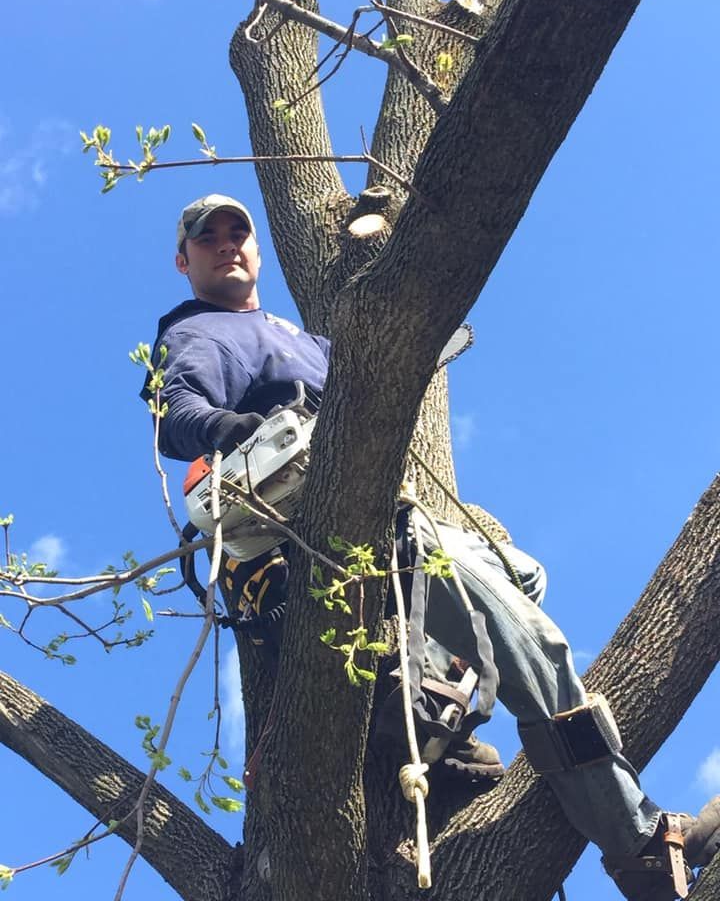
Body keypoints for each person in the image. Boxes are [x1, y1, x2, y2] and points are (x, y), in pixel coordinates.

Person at [144, 193, 720, 901]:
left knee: (522, 573)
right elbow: (179, 415)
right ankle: (636, 840)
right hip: (326, 535)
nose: (228, 244)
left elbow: (369, 380)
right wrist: (230, 429)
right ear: (185, 259)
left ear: (257, 249)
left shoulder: (296, 335)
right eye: (209, 239)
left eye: (239, 232)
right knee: (535, 645)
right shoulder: (197, 332)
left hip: (393, 510)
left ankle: (426, 699)